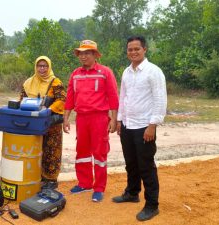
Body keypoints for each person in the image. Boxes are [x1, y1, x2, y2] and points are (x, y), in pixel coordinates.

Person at [112, 35, 167, 221]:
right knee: (131, 163)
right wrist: (119, 120)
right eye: (130, 49)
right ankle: (132, 193)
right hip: (128, 125)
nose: (133, 52)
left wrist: (153, 125)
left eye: (137, 49)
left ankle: (152, 205)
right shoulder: (127, 72)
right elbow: (123, 97)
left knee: (146, 166)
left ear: (145, 50)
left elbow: (160, 100)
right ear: (127, 52)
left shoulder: (154, 72)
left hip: (145, 126)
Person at [63, 40, 119, 202]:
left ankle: (99, 187)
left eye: (87, 53)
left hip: (99, 118)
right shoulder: (75, 74)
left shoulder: (105, 72)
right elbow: (70, 98)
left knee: (100, 152)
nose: (83, 56)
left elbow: (113, 97)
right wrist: (66, 118)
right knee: (82, 152)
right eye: (81, 53)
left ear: (95, 55)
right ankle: (85, 182)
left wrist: (114, 119)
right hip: (81, 119)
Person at [20, 56, 66, 189]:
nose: (42, 68)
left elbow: (62, 99)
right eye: (39, 66)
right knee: (35, 150)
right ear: (35, 67)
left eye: (45, 66)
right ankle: (37, 177)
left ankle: (51, 180)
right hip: (33, 124)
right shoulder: (28, 82)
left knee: (51, 151)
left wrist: (48, 110)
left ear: (49, 67)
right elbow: (22, 99)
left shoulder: (55, 82)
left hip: (51, 124)